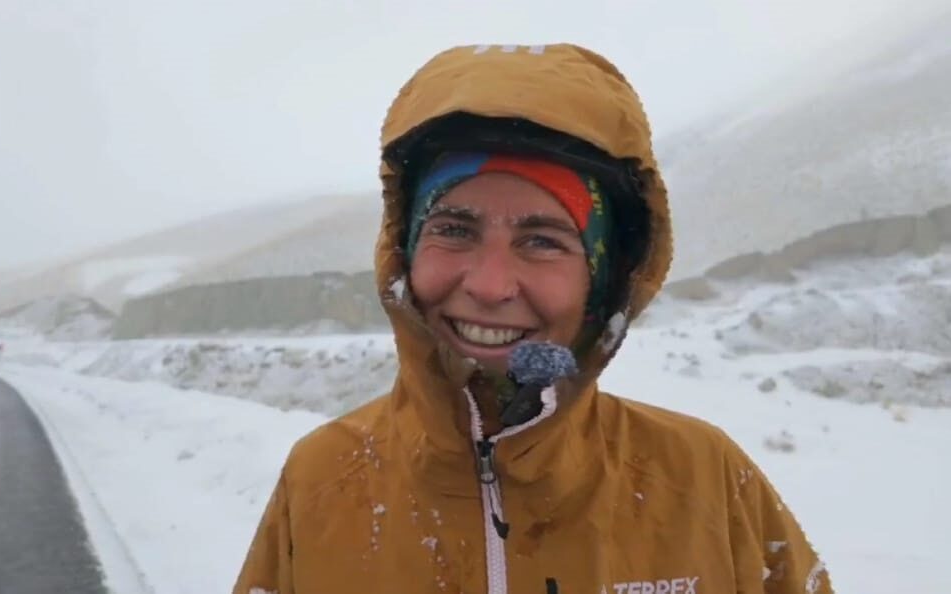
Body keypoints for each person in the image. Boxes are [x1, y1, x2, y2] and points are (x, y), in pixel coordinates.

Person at [233, 43, 832, 594]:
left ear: (603, 281)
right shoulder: (320, 479)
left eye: (542, 241)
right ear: (405, 253)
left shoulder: (704, 479)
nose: (490, 286)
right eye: (453, 230)